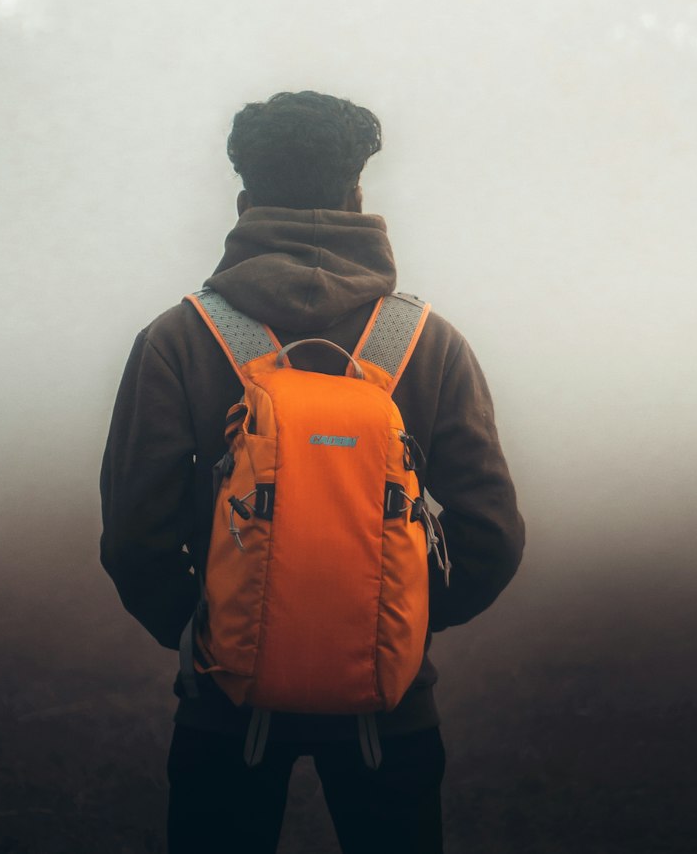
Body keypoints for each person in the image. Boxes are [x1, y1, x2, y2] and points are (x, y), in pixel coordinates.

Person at [100, 90, 525, 854]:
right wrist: (396, 628)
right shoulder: (430, 342)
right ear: (357, 196)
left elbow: (134, 538)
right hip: (390, 710)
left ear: (243, 198)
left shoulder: (178, 340)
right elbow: (492, 536)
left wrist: (208, 635)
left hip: (221, 708)